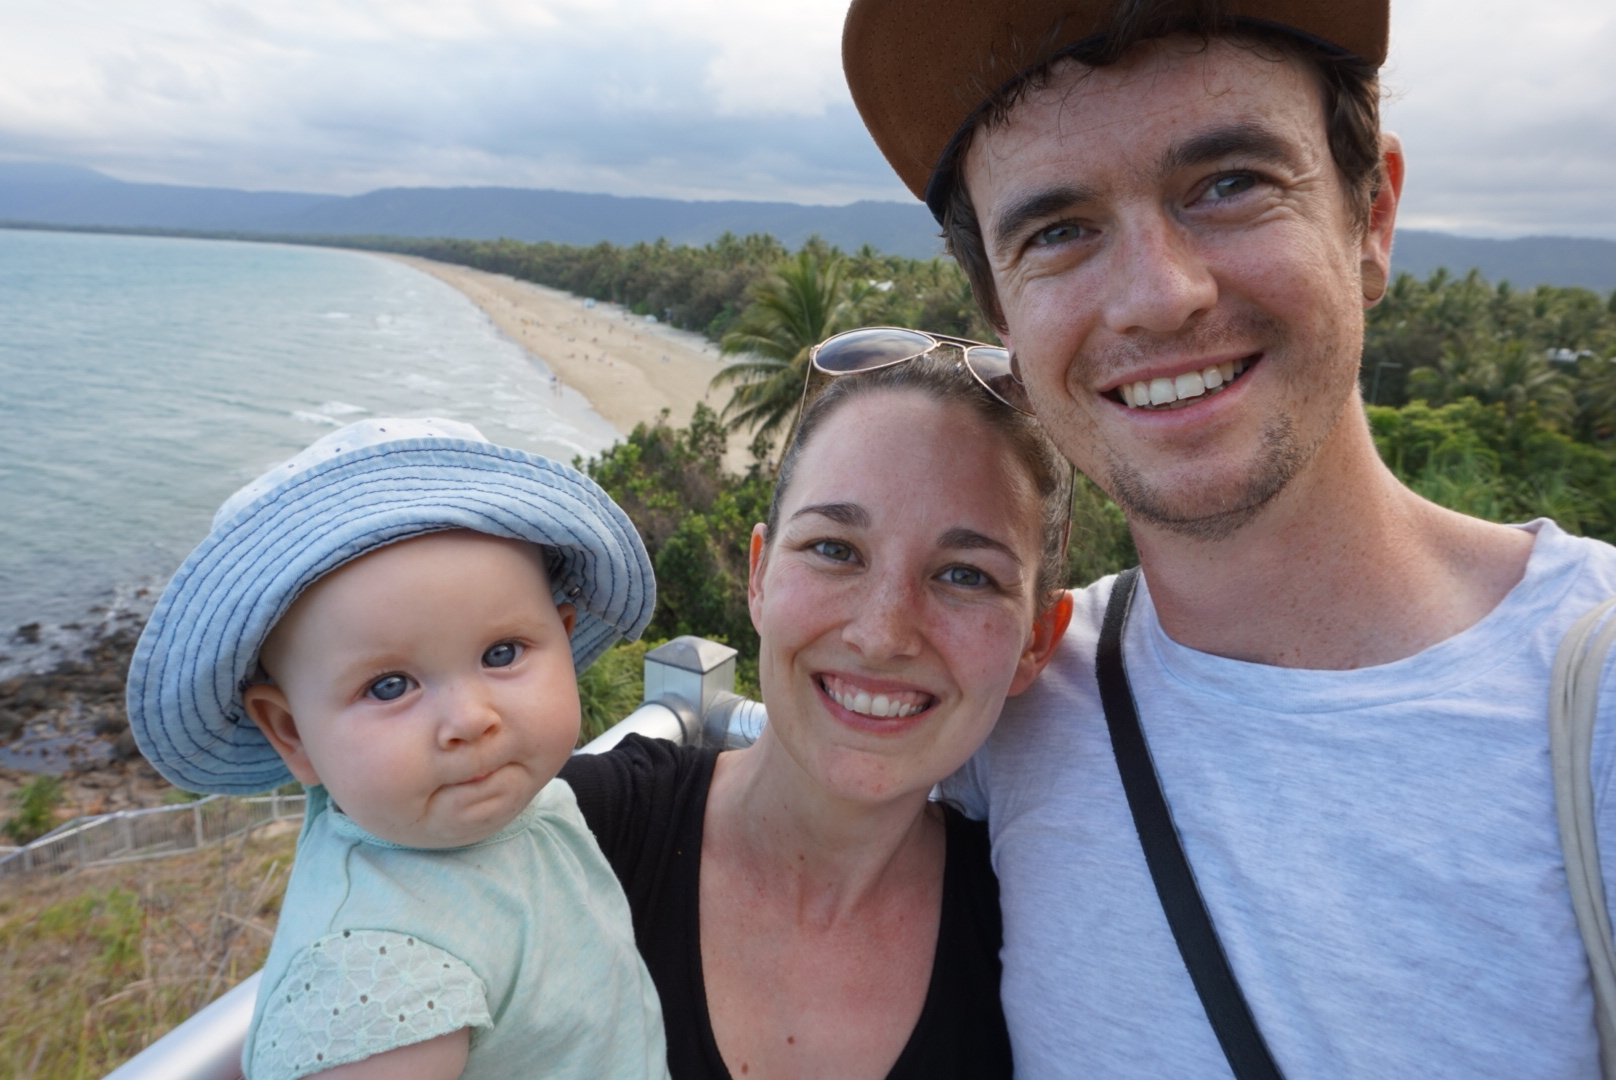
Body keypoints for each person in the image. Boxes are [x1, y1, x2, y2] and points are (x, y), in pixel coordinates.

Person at [840, 0, 1616, 1076]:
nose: (1158, 298)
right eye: (1058, 232)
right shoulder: (1007, 699)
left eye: (1229, 184)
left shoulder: (1591, 706)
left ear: (1371, 217)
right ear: (1003, 317)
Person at [562, 350, 1075, 1079]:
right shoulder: (577, 839)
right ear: (759, 576)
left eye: (965, 575)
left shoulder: (1038, 952)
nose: (883, 634)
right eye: (835, 549)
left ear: (1037, 640)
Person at [126, 418, 669, 1080]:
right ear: (290, 731)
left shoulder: (525, 803)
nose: (470, 720)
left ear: (563, 635)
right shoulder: (376, 983)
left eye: (502, 653)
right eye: (389, 687)